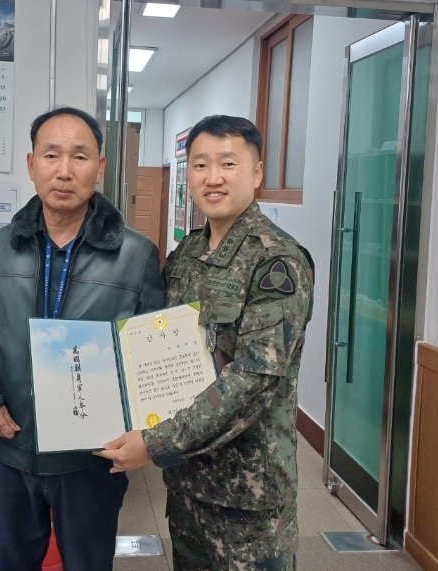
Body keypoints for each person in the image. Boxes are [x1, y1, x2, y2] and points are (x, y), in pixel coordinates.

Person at [0, 106, 164, 571]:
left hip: (91, 457)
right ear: (31, 164)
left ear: (99, 167)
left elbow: (153, 352)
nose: (64, 171)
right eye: (51, 155)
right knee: (12, 562)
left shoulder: (136, 255)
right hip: (11, 448)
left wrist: (144, 433)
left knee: (88, 563)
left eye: (79, 156)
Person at [96, 115, 314, 570]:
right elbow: (154, 346)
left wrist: (155, 443)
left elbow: (252, 379)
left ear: (256, 172)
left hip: (247, 495)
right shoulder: (186, 255)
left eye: (228, 164)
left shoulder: (276, 262)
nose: (213, 177)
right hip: (188, 480)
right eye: (200, 165)